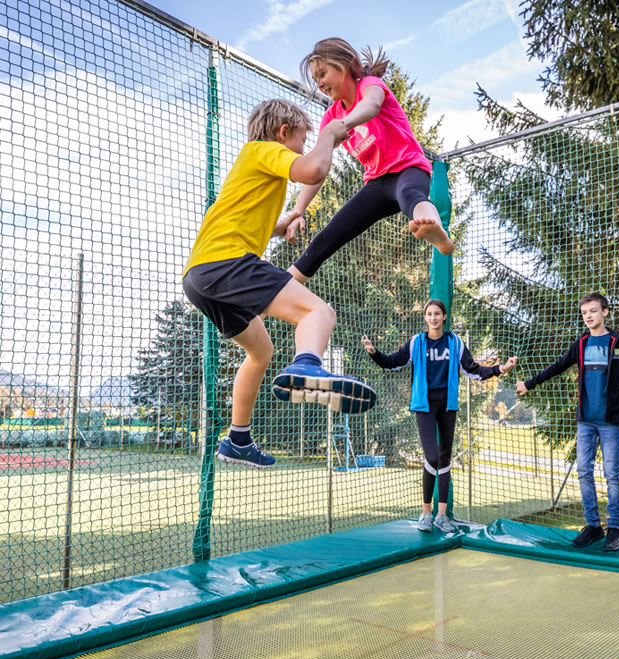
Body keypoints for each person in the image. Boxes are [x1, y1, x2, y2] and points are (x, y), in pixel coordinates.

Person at [182, 99, 376, 469]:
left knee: (260, 351)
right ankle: (307, 367)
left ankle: (238, 439)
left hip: (199, 276)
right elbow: (314, 169)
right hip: (227, 263)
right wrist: (329, 135)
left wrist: (282, 224)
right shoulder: (264, 150)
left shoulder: (251, 165)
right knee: (318, 312)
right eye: (302, 139)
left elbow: (244, 221)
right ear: (284, 133)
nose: (303, 147)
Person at [284, 37, 454, 284]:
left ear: (344, 65)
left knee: (410, 195)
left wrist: (343, 125)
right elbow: (318, 169)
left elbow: (372, 105)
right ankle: (276, 293)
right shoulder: (331, 116)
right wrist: (298, 210)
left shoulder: (369, 85)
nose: (319, 83)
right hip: (377, 184)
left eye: (323, 73)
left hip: (409, 168)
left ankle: (436, 231)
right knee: (328, 236)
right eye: (315, 79)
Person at [515, 293, 619, 551]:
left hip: (611, 422)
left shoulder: (618, 342)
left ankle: (615, 530)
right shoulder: (581, 343)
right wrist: (529, 384)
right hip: (586, 421)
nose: (588, 316)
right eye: (584, 312)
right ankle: (594, 527)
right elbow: (557, 366)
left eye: (594, 311)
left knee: (611, 474)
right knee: (584, 472)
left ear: (605, 312)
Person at [362, 299, 517, 533]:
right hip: (424, 405)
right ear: (425, 318)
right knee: (432, 457)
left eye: (437, 314)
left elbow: (473, 370)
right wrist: (374, 352)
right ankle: (425, 513)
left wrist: (500, 369)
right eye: (429, 314)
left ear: (444, 317)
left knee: (444, 459)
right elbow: (393, 362)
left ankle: (441, 516)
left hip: (447, 406)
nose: (433, 317)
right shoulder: (417, 342)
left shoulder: (455, 343)